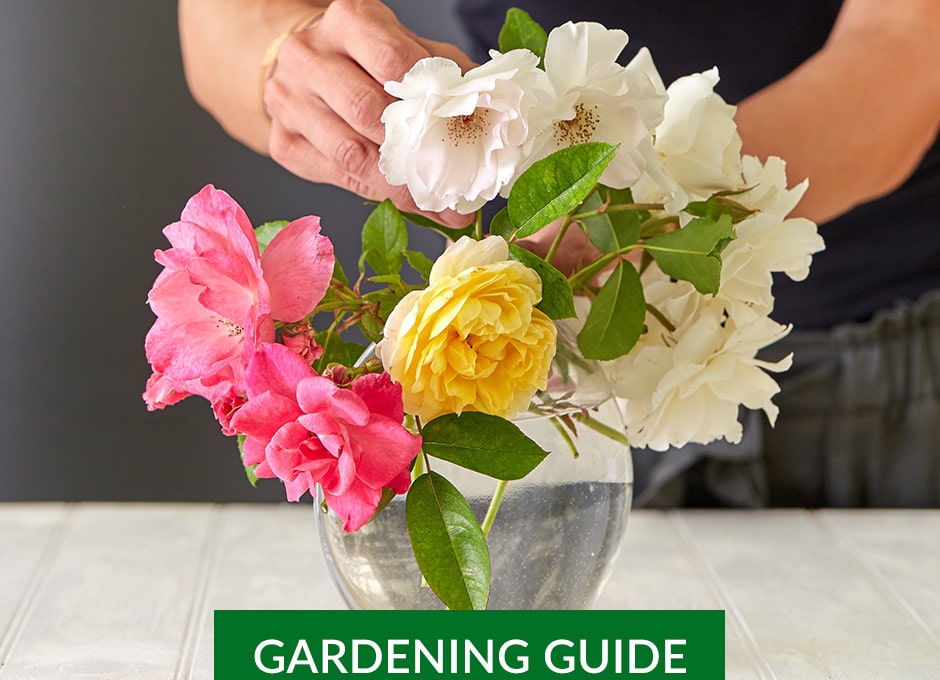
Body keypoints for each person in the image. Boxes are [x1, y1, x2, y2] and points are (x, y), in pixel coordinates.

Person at [177, 0, 940, 507]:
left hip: (880, 378)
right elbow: (225, 22)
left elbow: (906, 49)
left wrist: (644, 216)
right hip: (564, 389)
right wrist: (287, 62)